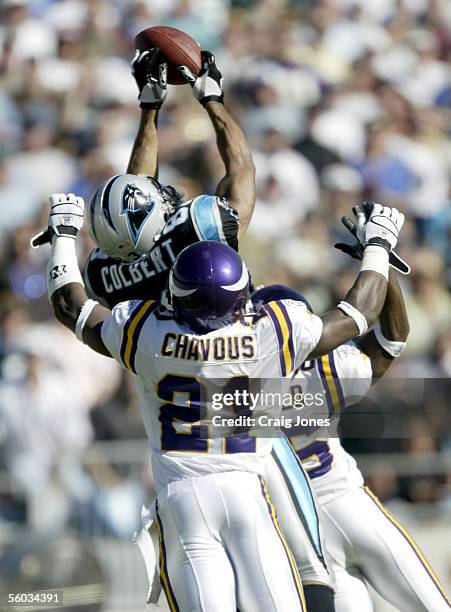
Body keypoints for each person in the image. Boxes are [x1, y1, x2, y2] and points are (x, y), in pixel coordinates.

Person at [34, 183, 403, 609]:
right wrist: (377, 244)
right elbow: (359, 313)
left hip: (184, 502)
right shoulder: (271, 330)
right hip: (249, 495)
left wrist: (63, 235)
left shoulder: (146, 330)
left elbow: (69, 305)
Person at [251, 234, 450, 611]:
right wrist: (382, 262)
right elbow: (393, 338)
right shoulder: (327, 366)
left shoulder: (231, 384)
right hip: (347, 502)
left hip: (301, 528)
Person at [81, 49, 255, 308]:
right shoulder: (198, 229)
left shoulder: (100, 274)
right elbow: (241, 170)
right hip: (226, 341)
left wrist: (149, 107)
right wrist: (212, 98)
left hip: (160, 345)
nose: (163, 192)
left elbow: (139, 181)